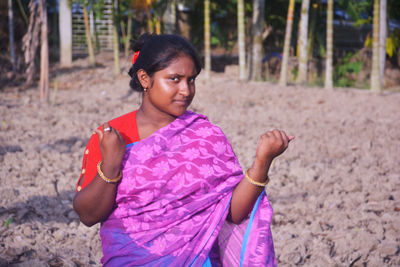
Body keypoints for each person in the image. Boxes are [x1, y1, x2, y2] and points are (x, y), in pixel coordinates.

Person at [73, 33, 294, 266]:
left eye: (191, 80)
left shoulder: (206, 136)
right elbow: (88, 216)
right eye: (174, 79)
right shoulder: (114, 136)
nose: (186, 90)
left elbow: (233, 214)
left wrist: (262, 162)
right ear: (145, 78)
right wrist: (111, 164)